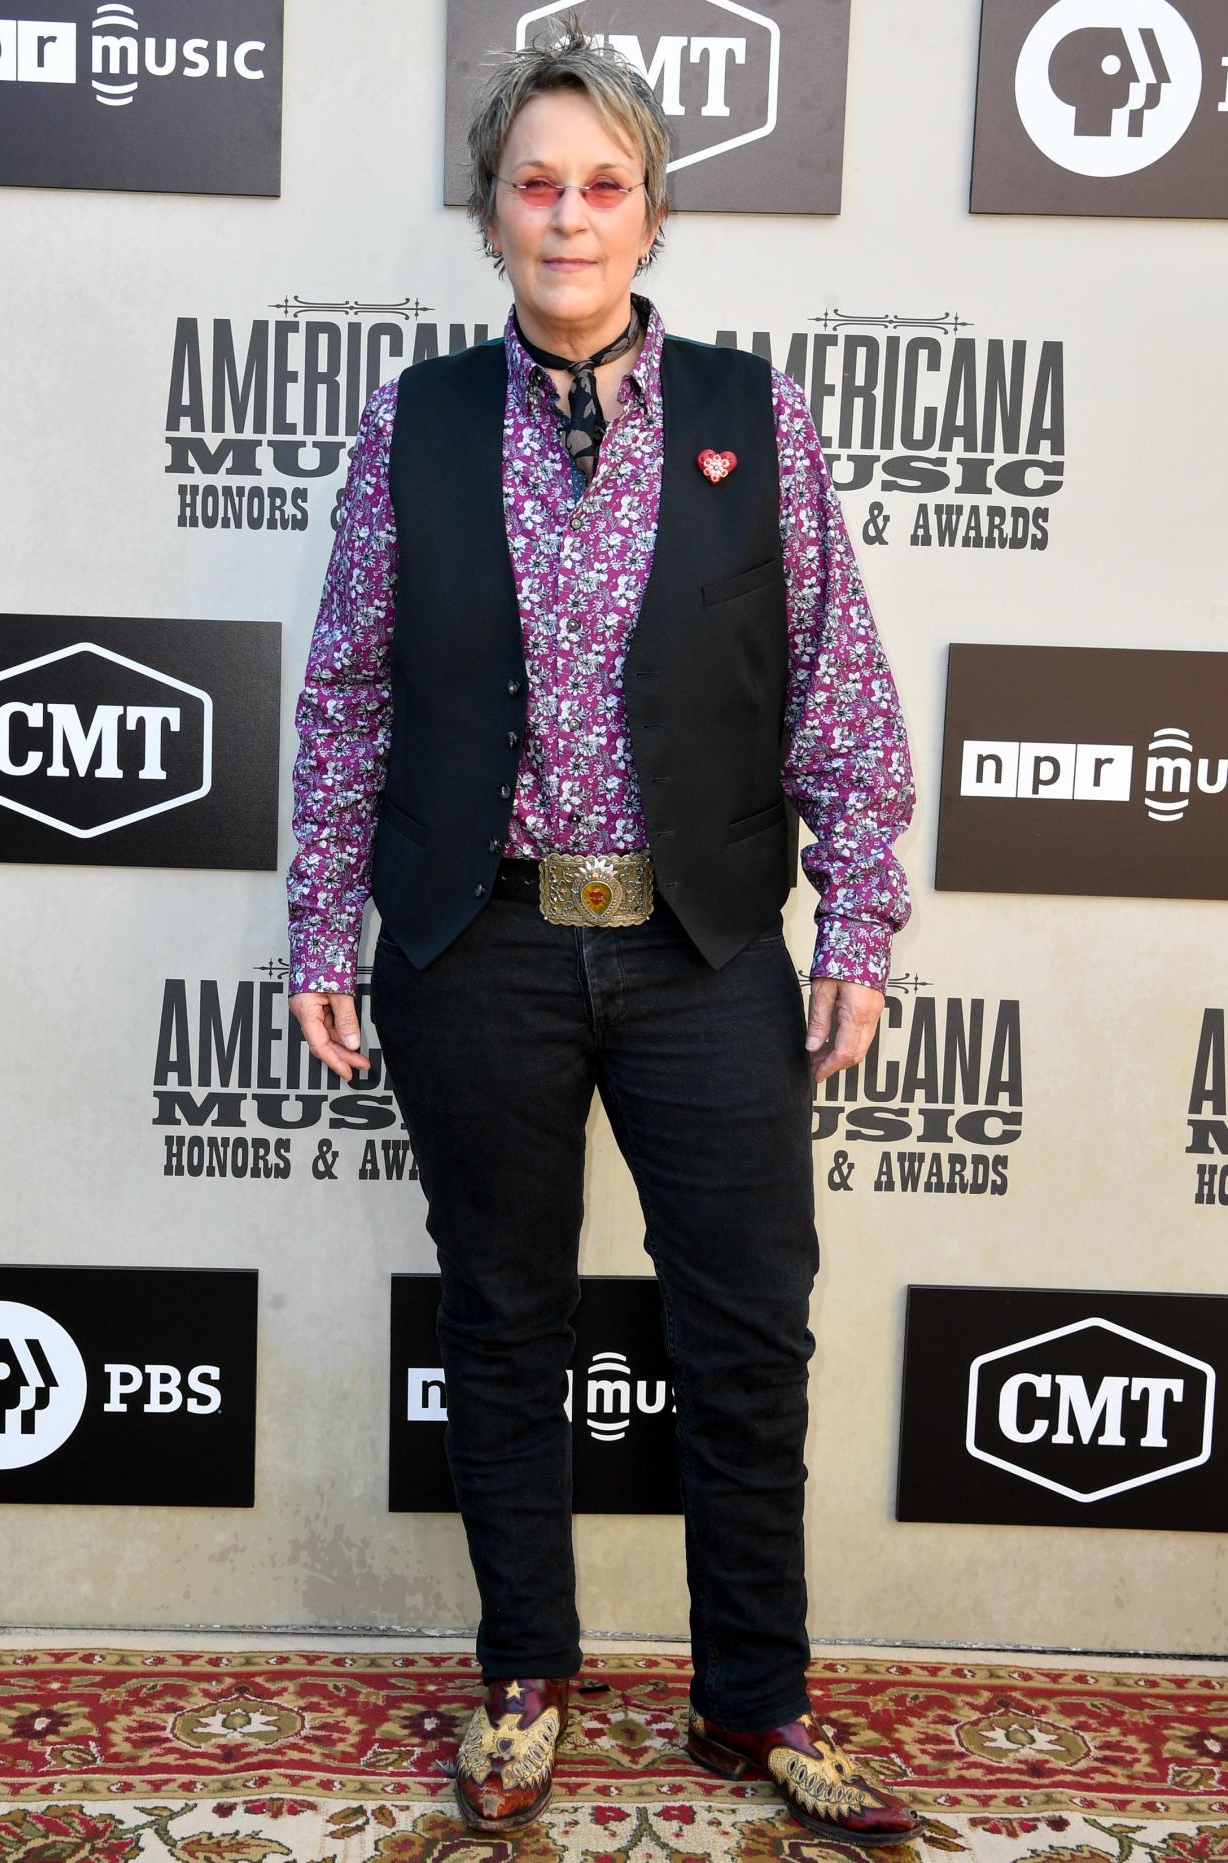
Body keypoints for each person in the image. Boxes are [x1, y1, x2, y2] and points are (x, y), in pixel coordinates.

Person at [287, 16, 917, 1843]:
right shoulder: (412, 421)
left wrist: (859, 923)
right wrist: (329, 932)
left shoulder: (752, 418)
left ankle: (758, 1698)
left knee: (747, 1327)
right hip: (474, 943)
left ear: (652, 217)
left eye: (605, 187)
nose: (570, 218)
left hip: (700, 944)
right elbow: (344, 698)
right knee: (500, 1315)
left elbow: (839, 690)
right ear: (488, 218)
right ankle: (523, 1674)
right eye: (536, 186)